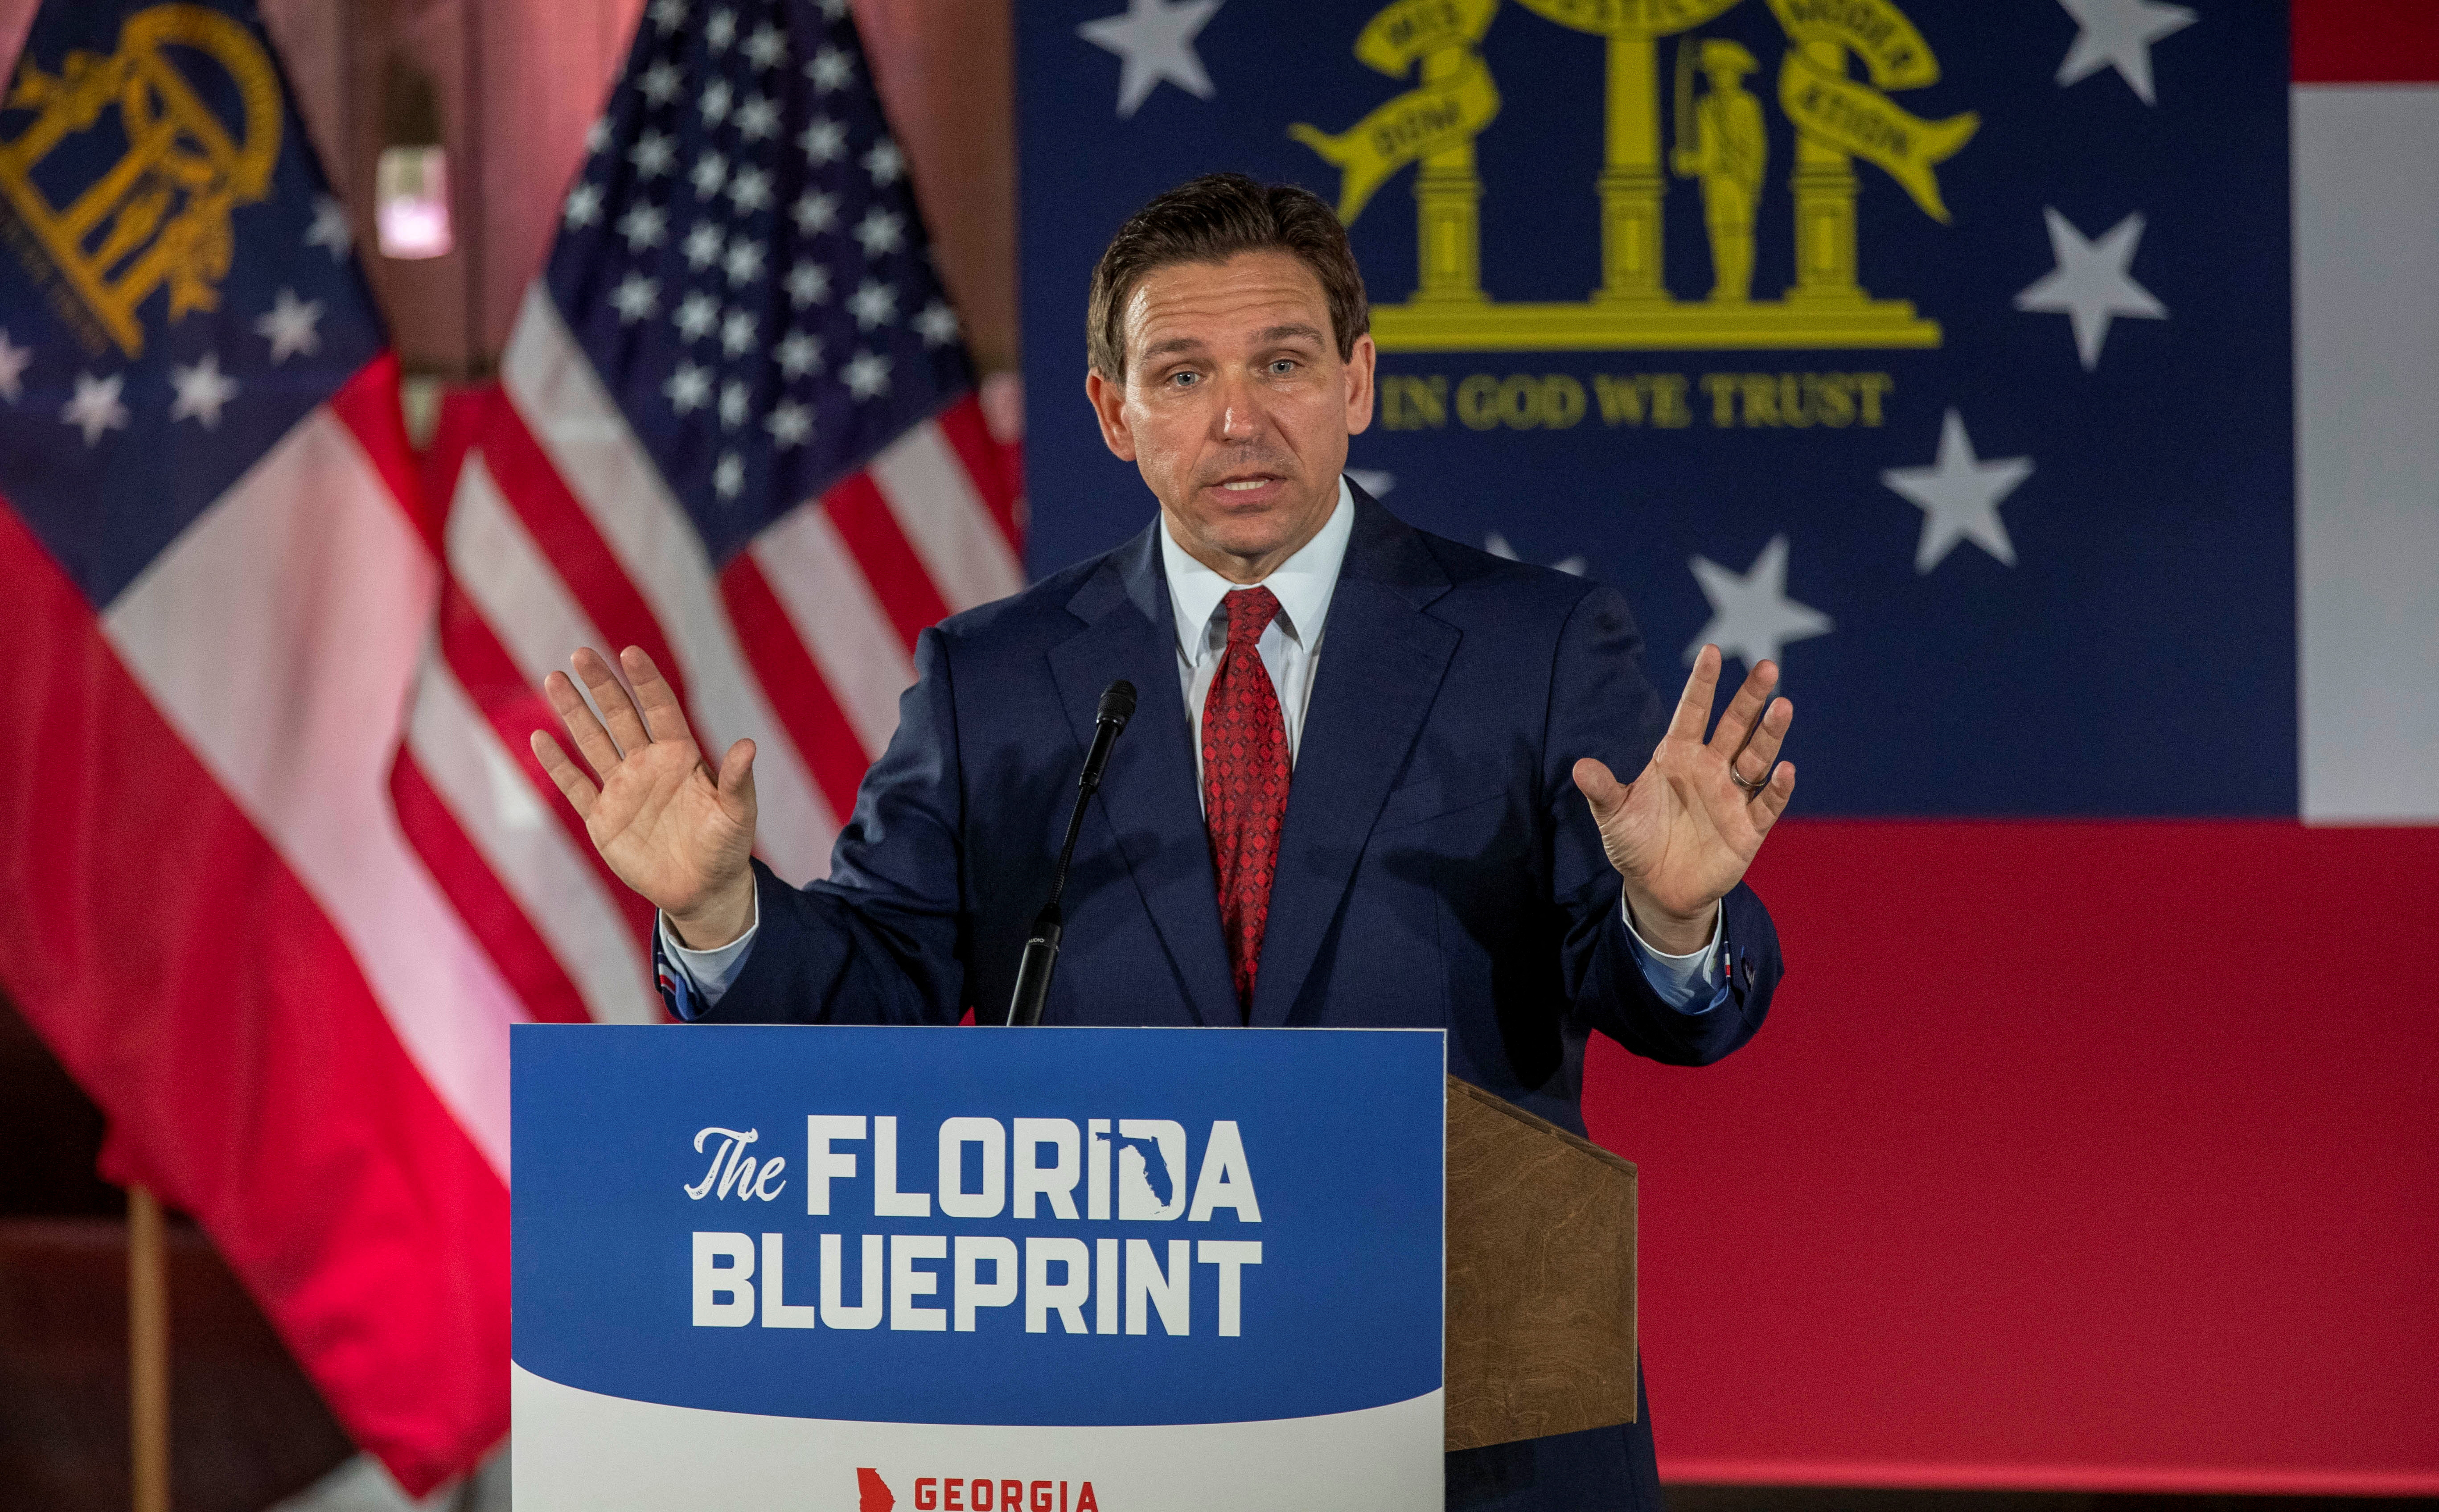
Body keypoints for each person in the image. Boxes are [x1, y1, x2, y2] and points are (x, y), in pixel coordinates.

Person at [531, 173, 1797, 1511]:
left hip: (1467, 1409)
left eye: (1285, 363)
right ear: (1113, 413)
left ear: (1359, 383)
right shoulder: (996, 678)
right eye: (1182, 374)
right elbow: (881, 990)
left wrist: (1668, 918)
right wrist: (723, 913)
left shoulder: (1534, 644)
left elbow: (1672, 1010)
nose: (1239, 419)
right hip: (1125, 1421)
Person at [1672, 38, 1767, 303]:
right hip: (1716, 180)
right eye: (1714, 73)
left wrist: (1749, 177)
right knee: (1719, 232)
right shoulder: (1705, 108)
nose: (1719, 78)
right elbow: (1707, 151)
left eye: (1725, 72)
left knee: (1739, 230)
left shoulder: (1747, 106)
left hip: (1740, 179)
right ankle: (1725, 284)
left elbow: (1756, 147)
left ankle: (1739, 287)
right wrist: (1690, 163)